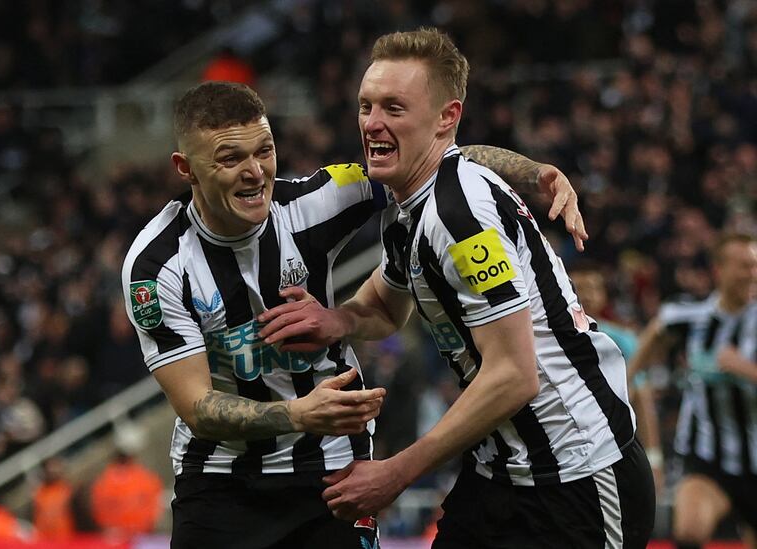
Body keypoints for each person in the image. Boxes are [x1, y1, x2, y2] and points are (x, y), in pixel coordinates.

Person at [121, 80, 585, 548]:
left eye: (264, 150)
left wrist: (534, 172)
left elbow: (431, 160)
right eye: (230, 159)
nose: (255, 172)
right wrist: (298, 413)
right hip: (218, 483)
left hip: (331, 472)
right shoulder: (155, 265)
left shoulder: (314, 200)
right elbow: (198, 408)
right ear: (186, 169)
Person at [259, 28, 654, 548]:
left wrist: (396, 473)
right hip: (500, 473)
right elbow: (385, 302)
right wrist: (340, 318)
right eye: (366, 106)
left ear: (446, 117)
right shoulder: (408, 206)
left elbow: (515, 375)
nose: (373, 124)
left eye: (394, 108)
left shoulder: (460, 217)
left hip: (576, 475)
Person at [628, 233, 757, 549]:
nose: (752, 274)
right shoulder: (690, 316)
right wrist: (626, 382)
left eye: (755, 266)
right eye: (744, 266)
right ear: (719, 270)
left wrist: (745, 369)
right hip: (706, 456)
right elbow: (657, 331)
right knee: (688, 532)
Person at [569, 261, 664, 493]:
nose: (587, 295)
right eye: (579, 289)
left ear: (603, 295)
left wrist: (654, 459)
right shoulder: (547, 337)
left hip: (612, 440)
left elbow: (641, 395)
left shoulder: (623, 339)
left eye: (593, 288)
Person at [90, 426, 164, 539]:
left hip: (119, 539)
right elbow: (155, 511)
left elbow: (99, 514)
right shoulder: (146, 478)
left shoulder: (103, 481)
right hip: (137, 538)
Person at [32, 456, 75, 541]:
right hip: (45, 540)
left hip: (66, 538)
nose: (53, 470)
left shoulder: (67, 490)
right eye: (50, 467)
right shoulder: (39, 493)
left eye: (55, 466)